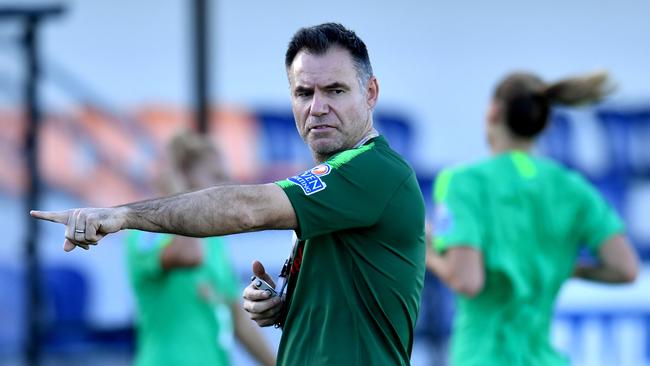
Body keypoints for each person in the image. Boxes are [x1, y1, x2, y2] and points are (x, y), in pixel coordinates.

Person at [31, 23, 426, 366]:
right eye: (304, 93)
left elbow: (245, 209)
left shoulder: (373, 169)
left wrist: (120, 215)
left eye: (336, 91)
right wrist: (285, 305)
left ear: (370, 93)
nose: (318, 107)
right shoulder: (336, 183)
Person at [426, 70, 640, 366]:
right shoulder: (572, 187)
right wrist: (571, 268)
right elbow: (625, 268)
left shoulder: (464, 182)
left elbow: (467, 281)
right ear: (545, 123)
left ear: (493, 112)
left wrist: (428, 253)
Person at [125, 131, 275, 366]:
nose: (226, 186)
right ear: (182, 177)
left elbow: (237, 317)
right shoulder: (146, 233)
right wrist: (179, 196)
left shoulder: (213, 240)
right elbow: (190, 255)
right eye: (216, 176)